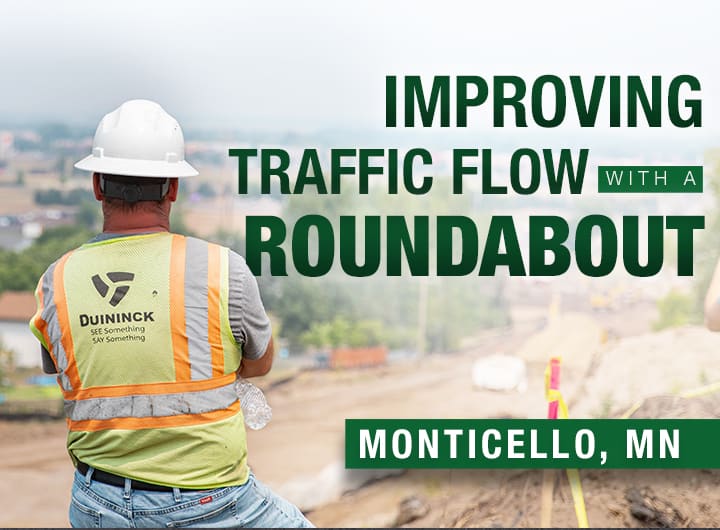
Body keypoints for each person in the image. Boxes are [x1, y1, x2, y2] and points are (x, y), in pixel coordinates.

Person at [29, 99, 313, 528]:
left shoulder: (57, 280)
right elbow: (260, 364)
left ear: (97, 185)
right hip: (210, 504)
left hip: (95, 504)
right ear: (174, 188)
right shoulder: (223, 269)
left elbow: (67, 369)